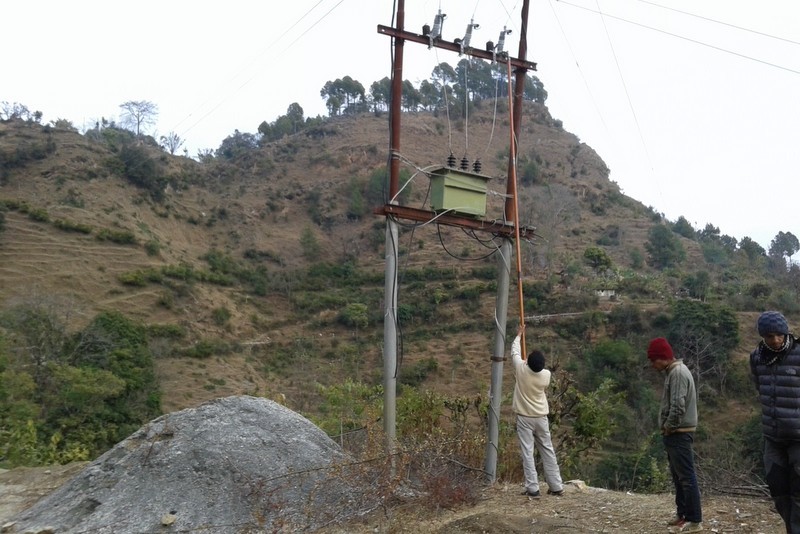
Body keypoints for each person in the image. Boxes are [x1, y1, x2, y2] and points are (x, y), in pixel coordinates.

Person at [750, 311, 800, 533]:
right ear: (762, 336)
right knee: (778, 492)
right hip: (773, 436)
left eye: (780, 335)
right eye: (770, 336)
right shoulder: (756, 357)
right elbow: (760, 388)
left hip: (799, 438)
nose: (776, 340)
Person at [647, 337, 703, 533]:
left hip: (679, 433)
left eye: (653, 360)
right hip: (676, 433)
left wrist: (669, 427)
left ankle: (694, 520)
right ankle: (683, 515)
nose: (652, 365)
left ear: (662, 358)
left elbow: (678, 407)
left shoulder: (677, 373)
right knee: (679, 477)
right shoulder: (673, 372)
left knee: (686, 477)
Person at [510, 323, 564, 498]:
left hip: (525, 417)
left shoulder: (520, 369)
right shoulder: (546, 376)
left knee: (528, 451)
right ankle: (556, 485)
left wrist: (519, 335)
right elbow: (530, 364)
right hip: (541, 416)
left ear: (527, 362)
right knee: (547, 449)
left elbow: (514, 352)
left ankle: (533, 488)